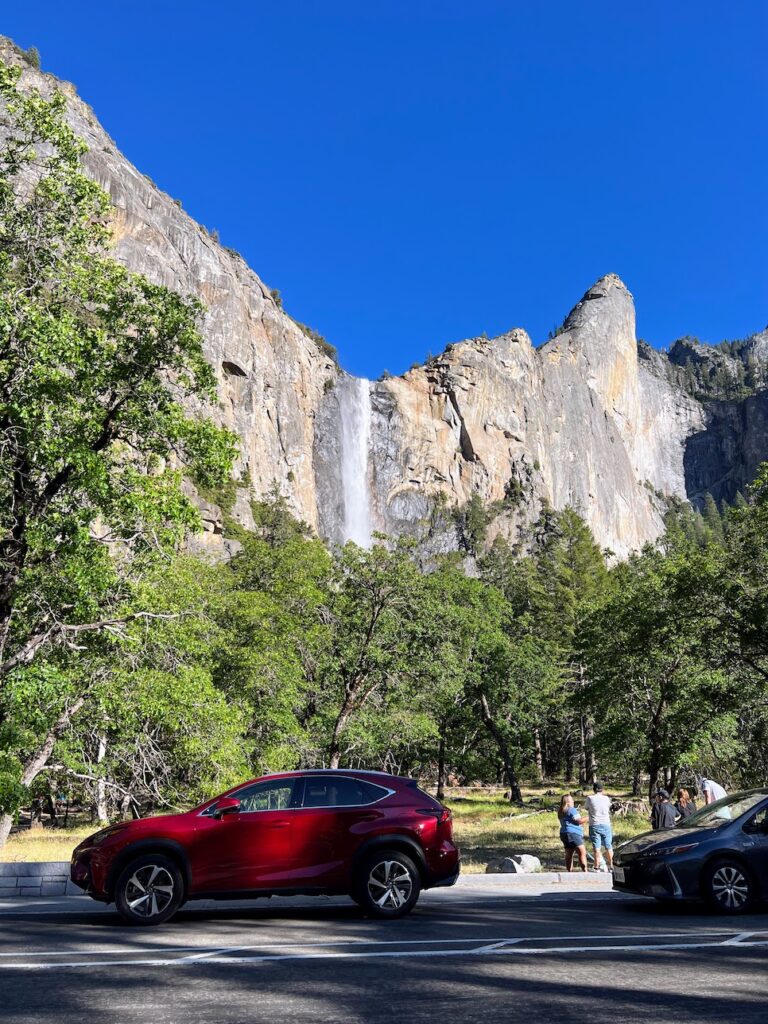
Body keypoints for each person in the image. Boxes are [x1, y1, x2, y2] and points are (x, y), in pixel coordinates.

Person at [585, 782, 613, 872]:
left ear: (594, 789)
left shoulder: (590, 798)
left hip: (595, 824)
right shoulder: (606, 798)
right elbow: (608, 808)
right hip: (606, 824)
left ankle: (596, 867)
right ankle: (611, 866)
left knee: (596, 848)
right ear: (602, 789)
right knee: (608, 846)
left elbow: (586, 808)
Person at [558, 794, 588, 872]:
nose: (573, 801)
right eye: (572, 800)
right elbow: (579, 821)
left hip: (564, 834)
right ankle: (585, 871)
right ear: (568, 802)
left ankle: (569, 871)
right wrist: (589, 816)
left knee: (569, 854)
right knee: (582, 852)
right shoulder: (571, 810)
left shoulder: (561, 811)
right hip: (573, 834)